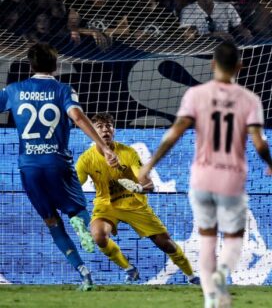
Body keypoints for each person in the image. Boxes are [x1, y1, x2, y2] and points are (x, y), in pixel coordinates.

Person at [136, 41, 272, 308]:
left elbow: (174, 134)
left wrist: (149, 164)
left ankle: (211, 296)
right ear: (239, 67)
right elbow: (259, 142)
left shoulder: (196, 95)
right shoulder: (249, 100)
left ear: (212, 64)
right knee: (234, 239)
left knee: (207, 238)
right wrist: (269, 163)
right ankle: (222, 276)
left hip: (202, 177)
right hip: (231, 178)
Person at [0, 43, 119, 291]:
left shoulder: (13, 90)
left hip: (29, 168)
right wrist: (105, 148)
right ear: (56, 65)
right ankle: (81, 222)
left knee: (52, 221)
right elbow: (76, 116)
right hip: (57, 163)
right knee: (77, 209)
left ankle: (83, 273)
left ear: (30, 65)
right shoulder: (63, 89)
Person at [75, 112, 199, 285]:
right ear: (93, 131)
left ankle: (192, 276)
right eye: (100, 127)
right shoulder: (85, 160)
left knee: (166, 244)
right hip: (107, 206)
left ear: (114, 130)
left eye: (108, 126)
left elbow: (146, 182)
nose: (105, 130)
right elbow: (75, 185)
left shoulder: (128, 152)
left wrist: (140, 186)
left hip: (134, 204)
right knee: (98, 236)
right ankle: (129, 269)